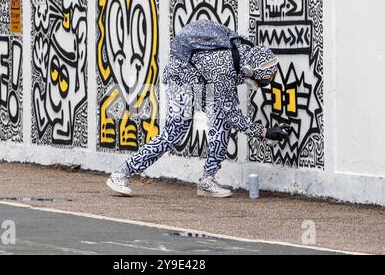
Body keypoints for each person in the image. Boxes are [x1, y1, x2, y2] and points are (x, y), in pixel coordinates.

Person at [106, 20, 290, 197]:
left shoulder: (244, 53)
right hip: (180, 79)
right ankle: (121, 173)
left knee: (221, 120)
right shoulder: (224, 68)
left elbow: (228, 110)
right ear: (251, 70)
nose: (258, 84)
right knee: (175, 132)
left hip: (202, 79)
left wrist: (263, 132)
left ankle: (207, 180)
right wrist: (264, 132)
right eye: (260, 80)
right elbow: (234, 115)